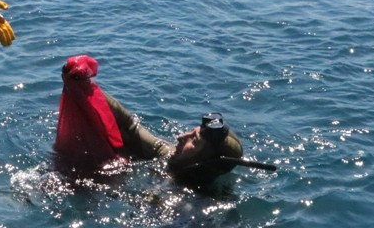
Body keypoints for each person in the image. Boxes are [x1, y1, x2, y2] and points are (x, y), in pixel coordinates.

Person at [54, 55, 275, 187]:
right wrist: (83, 86)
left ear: (203, 162)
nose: (180, 136)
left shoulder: (195, 206)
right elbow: (129, 126)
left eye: (193, 141)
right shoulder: (169, 156)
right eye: (192, 132)